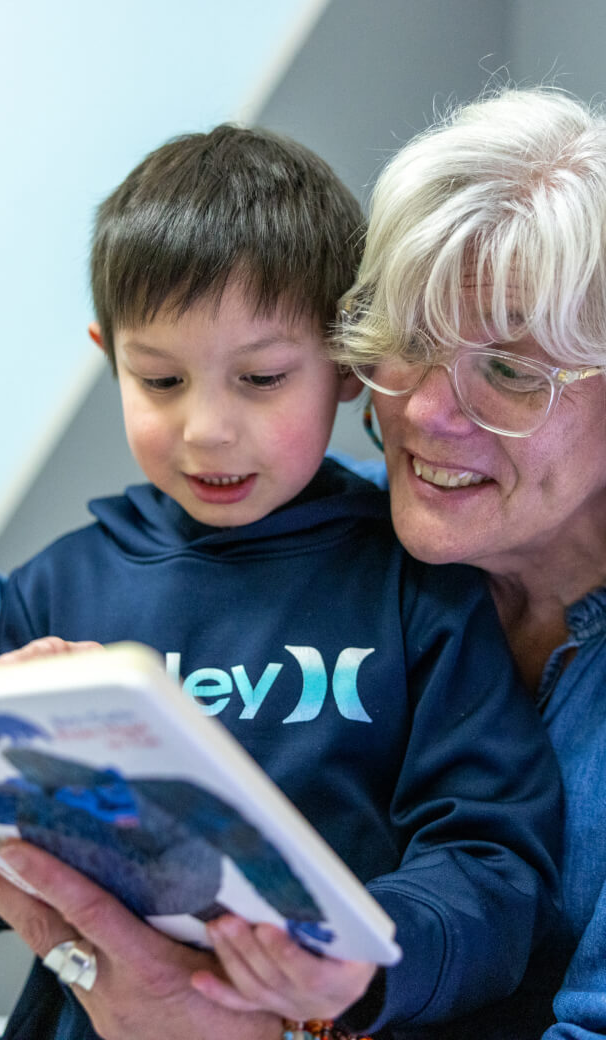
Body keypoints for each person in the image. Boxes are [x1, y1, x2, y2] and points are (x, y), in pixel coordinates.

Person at [0, 123, 562, 1040]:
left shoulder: (417, 586)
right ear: (109, 354)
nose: (207, 430)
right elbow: (0, 873)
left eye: (261, 377)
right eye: (160, 379)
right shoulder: (64, 583)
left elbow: (492, 863)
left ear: (346, 365)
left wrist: (364, 964)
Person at [331, 85, 606, 1040]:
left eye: (513, 370)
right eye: (410, 340)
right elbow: (26, 604)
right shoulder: (325, 524)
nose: (426, 413)